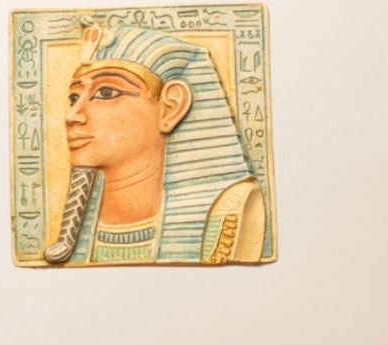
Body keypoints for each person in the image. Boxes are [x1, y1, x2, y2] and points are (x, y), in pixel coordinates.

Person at [45, 23, 266, 265]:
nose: (73, 115)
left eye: (106, 93)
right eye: (74, 98)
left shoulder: (232, 211)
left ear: (171, 108)